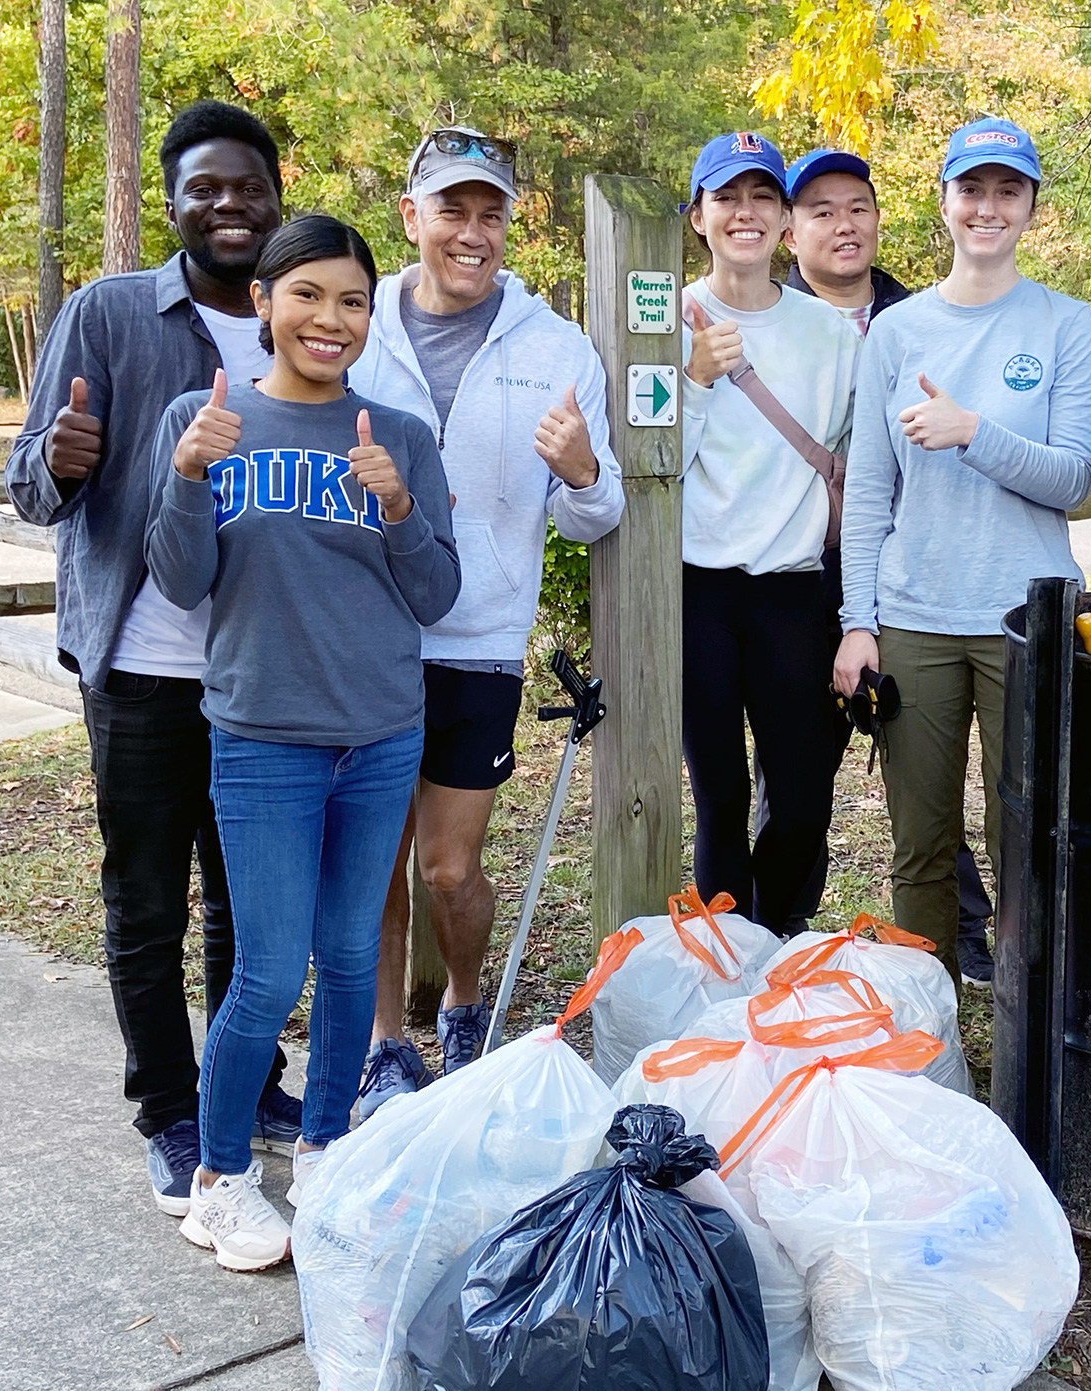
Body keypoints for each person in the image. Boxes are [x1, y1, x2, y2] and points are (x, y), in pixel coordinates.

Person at [143, 215, 458, 1270]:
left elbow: (435, 590)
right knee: (269, 970)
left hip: (378, 735)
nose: (331, 318)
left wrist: (402, 505)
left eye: (353, 300)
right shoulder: (208, 417)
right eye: (309, 295)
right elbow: (181, 582)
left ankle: (324, 1149)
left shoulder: (397, 432)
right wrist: (188, 476)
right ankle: (220, 1177)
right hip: (263, 738)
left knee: (350, 953)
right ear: (265, 303)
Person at [5, 100, 299, 1223]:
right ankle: (168, 1114)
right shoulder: (111, 313)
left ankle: (249, 1082)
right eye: (204, 190)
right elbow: (30, 482)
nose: (228, 206)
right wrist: (61, 457)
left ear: (276, 193)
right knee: (144, 906)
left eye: (247, 188)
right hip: (140, 667)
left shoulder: (297, 321)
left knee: (248, 906)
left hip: (260, 678)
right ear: (173, 202)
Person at [348, 128, 623, 1108]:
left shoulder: (553, 349)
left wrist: (582, 470)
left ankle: (464, 1002)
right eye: (451, 209)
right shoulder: (355, 325)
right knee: (372, 863)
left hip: (476, 639)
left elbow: (600, 514)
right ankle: (385, 1043)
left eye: (489, 212)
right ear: (411, 217)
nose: (471, 231)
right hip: (366, 632)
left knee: (448, 865)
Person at [835, 118, 1091, 980]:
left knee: (1028, 833)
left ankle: (1035, 1035)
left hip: (1028, 618)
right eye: (972, 190)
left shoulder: (1065, 323)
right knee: (921, 845)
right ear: (945, 201)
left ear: (1030, 206)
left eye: (1008, 191)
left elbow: (1070, 479)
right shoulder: (896, 331)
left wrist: (972, 431)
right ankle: (928, 1031)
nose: (988, 208)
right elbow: (870, 492)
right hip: (917, 618)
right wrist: (857, 622)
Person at [781, 149, 998, 985]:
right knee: (799, 773)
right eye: (823, 210)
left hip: (913, 582)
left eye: (858, 207)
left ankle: (962, 937)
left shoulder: (922, 317)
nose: (845, 225)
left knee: (924, 776)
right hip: (800, 578)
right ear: (793, 228)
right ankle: (784, 926)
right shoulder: (763, 320)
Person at [680, 131, 861, 936]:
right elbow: (650, 462)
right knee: (718, 797)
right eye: (727, 198)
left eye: (762, 197)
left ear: (787, 220)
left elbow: (856, 461)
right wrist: (695, 375)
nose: (744, 213)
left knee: (801, 800)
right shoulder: (667, 313)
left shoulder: (828, 333)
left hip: (792, 591)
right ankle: (727, 959)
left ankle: (776, 941)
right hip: (700, 591)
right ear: (698, 216)